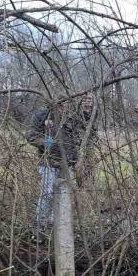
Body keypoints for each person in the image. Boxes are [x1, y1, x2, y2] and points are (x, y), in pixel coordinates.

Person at [26, 94, 95, 231]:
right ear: (55, 105)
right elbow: (30, 135)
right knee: (47, 193)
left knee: (63, 193)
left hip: (66, 164)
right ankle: (40, 224)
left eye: (67, 105)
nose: (65, 108)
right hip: (48, 163)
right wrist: (47, 143)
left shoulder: (69, 120)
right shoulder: (43, 116)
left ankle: (54, 221)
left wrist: (75, 162)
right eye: (62, 105)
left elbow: (73, 142)